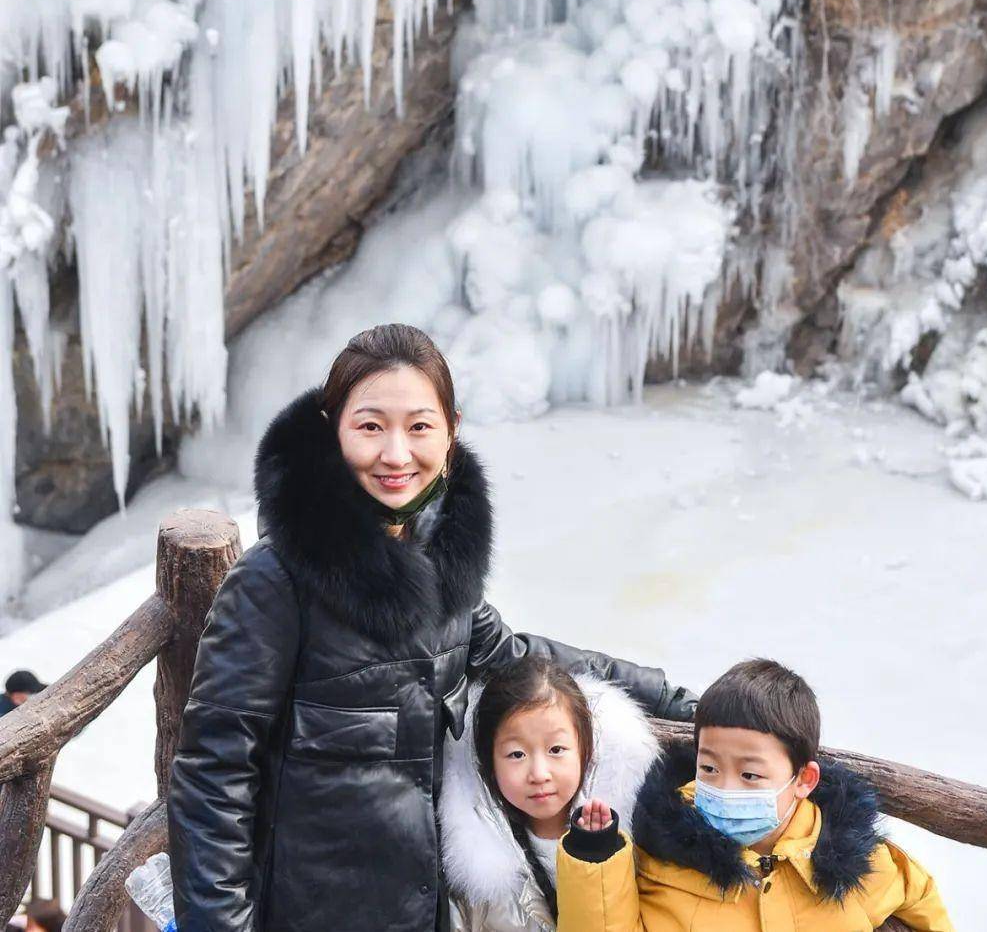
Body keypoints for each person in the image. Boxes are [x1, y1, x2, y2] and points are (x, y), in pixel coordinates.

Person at [169, 323, 695, 932]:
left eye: (420, 427)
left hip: (430, 910)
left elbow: (520, 658)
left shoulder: (440, 564)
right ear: (330, 428)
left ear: (451, 431)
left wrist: (676, 701)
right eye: (370, 426)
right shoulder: (276, 582)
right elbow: (214, 776)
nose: (396, 455)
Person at [557, 657, 955, 931]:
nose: (724, 787)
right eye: (709, 768)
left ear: (804, 780)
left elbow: (923, 903)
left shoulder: (859, 863)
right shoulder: (658, 854)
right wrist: (595, 862)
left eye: (750, 774)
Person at [440, 657, 659, 931]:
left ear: (584, 750)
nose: (539, 774)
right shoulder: (470, 866)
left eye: (556, 750)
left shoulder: (634, 841)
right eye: (516, 754)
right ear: (488, 762)